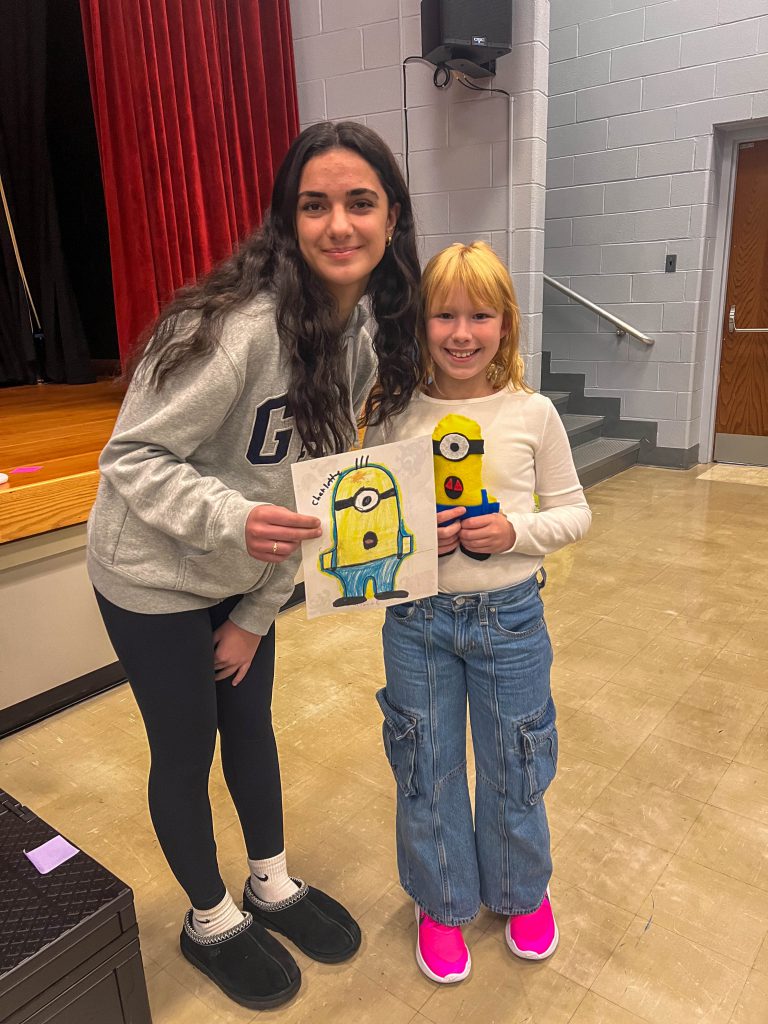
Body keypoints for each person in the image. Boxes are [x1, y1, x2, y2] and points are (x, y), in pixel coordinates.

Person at [86, 121, 421, 1010]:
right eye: (315, 205)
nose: (338, 224)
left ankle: (269, 882)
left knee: (252, 726)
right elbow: (129, 460)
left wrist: (254, 614)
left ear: (393, 218)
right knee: (187, 743)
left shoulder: (353, 337)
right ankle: (209, 919)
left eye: (360, 202)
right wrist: (236, 522)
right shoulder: (231, 329)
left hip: (237, 578)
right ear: (287, 220)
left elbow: (307, 495)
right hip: (151, 573)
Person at [365, 241, 591, 984]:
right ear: (420, 323)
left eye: (480, 315)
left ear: (506, 325)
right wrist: (404, 540)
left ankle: (521, 892)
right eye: (444, 315)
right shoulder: (394, 414)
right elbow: (360, 524)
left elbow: (574, 514)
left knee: (517, 760)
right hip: (417, 622)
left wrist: (514, 533)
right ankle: (443, 899)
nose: (462, 333)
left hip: (512, 620)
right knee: (424, 763)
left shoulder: (533, 413)